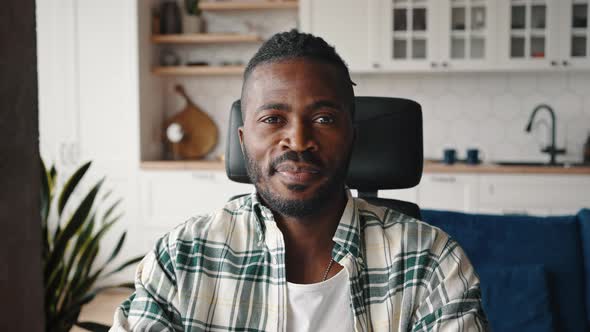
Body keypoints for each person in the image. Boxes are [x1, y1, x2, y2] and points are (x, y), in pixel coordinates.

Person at [111, 30, 488, 332]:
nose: (298, 140)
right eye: (273, 118)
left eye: (323, 118)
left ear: (352, 137)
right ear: (243, 142)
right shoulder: (183, 258)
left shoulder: (430, 261)